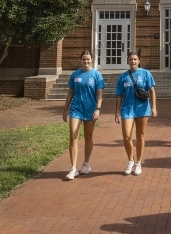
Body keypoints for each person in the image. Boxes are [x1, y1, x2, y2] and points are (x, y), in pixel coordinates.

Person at [63, 49, 105, 180]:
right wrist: (65, 109)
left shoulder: (96, 75)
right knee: (73, 136)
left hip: (90, 109)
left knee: (88, 136)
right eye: (83, 59)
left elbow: (99, 94)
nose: (86, 61)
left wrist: (98, 109)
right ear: (80, 60)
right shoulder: (75, 75)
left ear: (91, 60)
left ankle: (86, 164)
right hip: (76, 109)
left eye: (88, 59)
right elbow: (70, 93)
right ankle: (73, 168)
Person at [115, 52, 157, 176]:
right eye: (130, 59)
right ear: (127, 61)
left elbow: (152, 91)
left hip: (142, 108)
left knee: (140, 136)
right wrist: (117, 111)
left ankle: (138, 163)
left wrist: (154, 107)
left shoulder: (146, 74)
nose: (133, 61)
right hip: (127, 108)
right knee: (127, 136)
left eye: (135, 59)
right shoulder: (123, 77)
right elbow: (119, 95)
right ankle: (130, 160)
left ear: (139, 61)